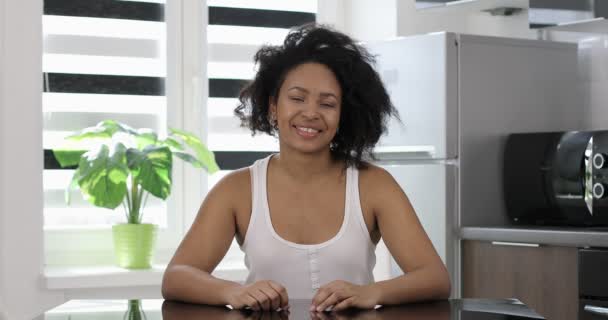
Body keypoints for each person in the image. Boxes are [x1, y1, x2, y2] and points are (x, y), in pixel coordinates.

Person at [161, 24, 451, 314]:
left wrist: (372, 292)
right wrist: (234, 292)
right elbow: (177, 276)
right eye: (297, 98)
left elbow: (435, 278)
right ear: (273, 106)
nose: (311, 113)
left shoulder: (374, 184)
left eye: (327, 103)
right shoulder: (236, 190)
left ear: (343, 115)